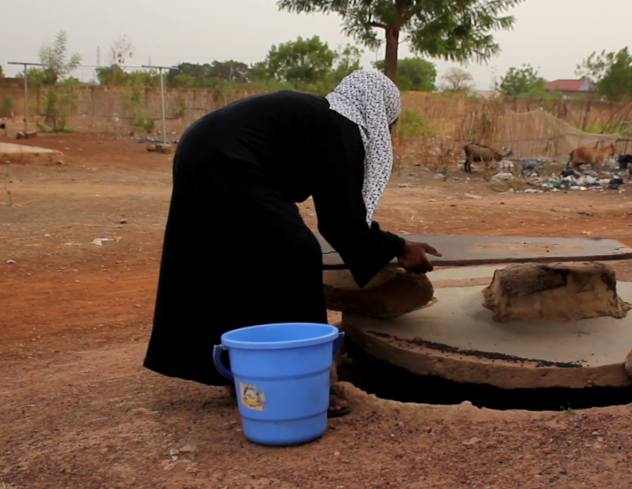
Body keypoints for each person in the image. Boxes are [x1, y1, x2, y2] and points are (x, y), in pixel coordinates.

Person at [143, 70, 440, 416]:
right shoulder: (339, 127)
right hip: (228, 159)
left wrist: (387, 244)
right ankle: (305, 386)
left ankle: (241, 373)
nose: (389, 132)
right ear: (378, 111)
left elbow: (339, 214)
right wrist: (399, 247)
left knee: (232, 260)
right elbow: (340, 223)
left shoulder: (323, 117)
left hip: (200, 148)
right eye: (391, 122)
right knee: (294, 252)